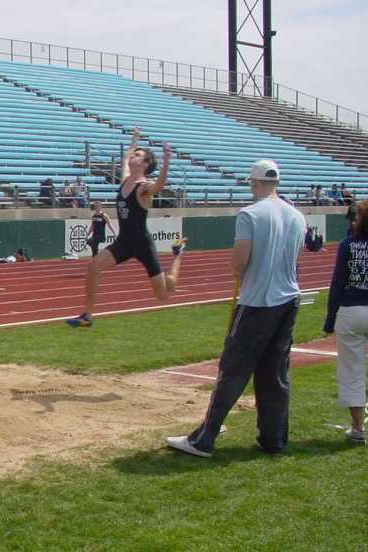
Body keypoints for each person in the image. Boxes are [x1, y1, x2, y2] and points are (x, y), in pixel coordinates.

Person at [166, 160, 307, 457]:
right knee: (275, 373)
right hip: (288, 300)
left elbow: (238, 264)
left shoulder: (249, 214)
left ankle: (204, 438)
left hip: (257, 302)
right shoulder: (297, 216)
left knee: (232, 370)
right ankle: (274, 440)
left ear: (255, 183)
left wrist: (240, 268)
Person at [66, 128, 187, 327]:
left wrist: (166, 159)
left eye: (138, 155)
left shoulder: (144, 188)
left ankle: (178, 254)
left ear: (146, 163)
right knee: (93, 266)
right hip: (124, 242)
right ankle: (87, 316)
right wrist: (133, 142)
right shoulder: (124, 182)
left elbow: (159, 186)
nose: (133, 156)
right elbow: (125, 159)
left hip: (142, 245)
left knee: (164, 293)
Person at [323, 200, 368, 444]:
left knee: (352, 371)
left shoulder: (348, 245)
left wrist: (330, 320)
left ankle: (358, 428)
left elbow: (337, 284)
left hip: (351, 310)